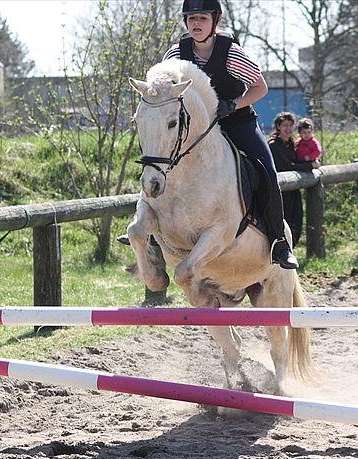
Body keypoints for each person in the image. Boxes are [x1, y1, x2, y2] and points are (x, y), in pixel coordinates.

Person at [121, 0, 298, 269]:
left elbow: (260, 88)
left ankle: (278, 242)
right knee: (161, 163)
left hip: (236, 122)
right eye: (191, 18)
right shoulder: (175, 54)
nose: (196, 23)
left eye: (202, 18)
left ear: (214, 21)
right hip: (194, 130)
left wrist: (234, 104)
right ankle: (150, 231)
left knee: (267, 170)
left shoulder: (232, 54)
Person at [268, 112, 304, 246]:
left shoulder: (292, 144)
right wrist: (310, 165)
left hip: (293, 188)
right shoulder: (274, 145)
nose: (288, 129)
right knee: (285, 221)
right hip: (281, 190)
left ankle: (291, 248)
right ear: (278, 127)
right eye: (285, 125)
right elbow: (287, 165)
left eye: (290, 125)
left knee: (297, 220)